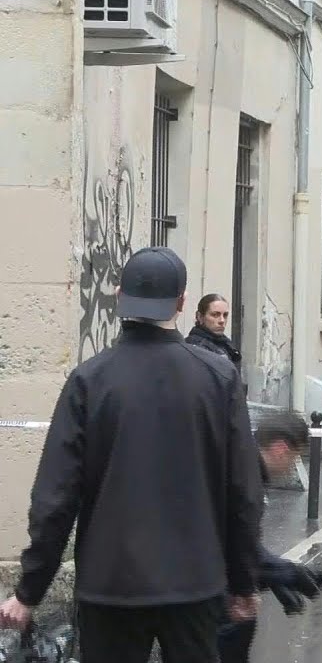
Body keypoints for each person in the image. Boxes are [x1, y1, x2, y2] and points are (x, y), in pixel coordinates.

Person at [0, 247, 262, 663]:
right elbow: (243, 492)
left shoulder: (89, 381)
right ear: (180, 304)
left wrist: (29, 591)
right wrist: (243, 582)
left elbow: (55, 498)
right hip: (194, 582)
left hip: (110, 584)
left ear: (119, 296)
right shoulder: (218, 378)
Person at [216, 412, 322, 663]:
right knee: (236, 619)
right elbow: (231, 541)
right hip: (195, 583)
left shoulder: (243, 466)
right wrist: (281, 572)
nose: (292, 467)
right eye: (295, 456)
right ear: (280, 449)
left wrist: (269, 576)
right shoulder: (246, 479)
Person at [186, 293, 242, 365]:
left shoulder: (224, 343)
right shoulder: (195, 347)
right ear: (200, 316)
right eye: (215, 315)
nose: (222, 320)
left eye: (225, 315)